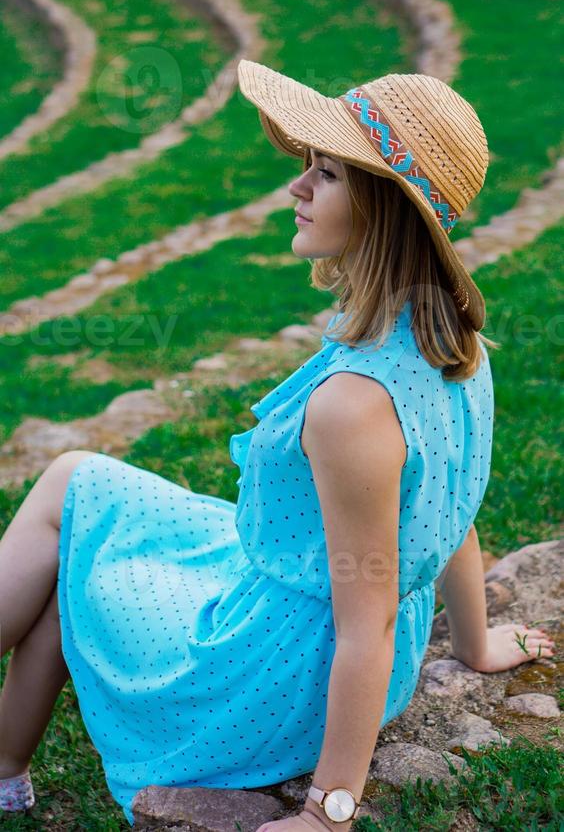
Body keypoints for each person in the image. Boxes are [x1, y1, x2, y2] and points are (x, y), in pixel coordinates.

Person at [0, 60, 555, 829]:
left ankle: (5, 772)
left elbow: (370, 624)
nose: (296, 189)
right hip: (326, 638)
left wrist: (330, 809)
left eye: (325, 174)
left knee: (71, 511)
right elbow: (443, 514)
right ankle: (5, 776)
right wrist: (475, 643)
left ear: (384, 207)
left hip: (278, 669)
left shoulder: (353, 407)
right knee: (77, 513)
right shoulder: (454, 341)